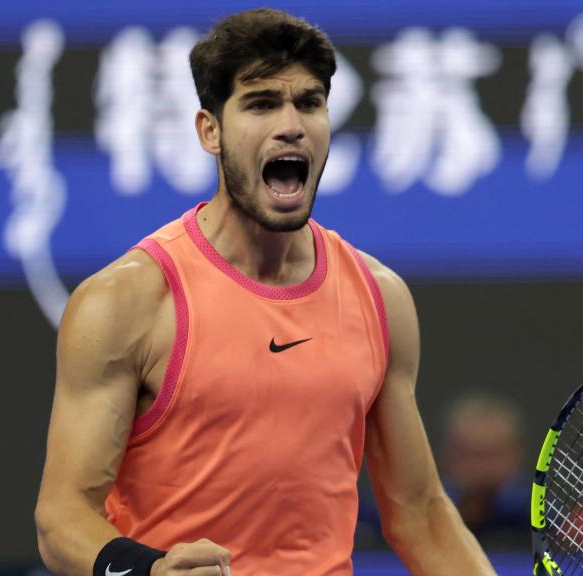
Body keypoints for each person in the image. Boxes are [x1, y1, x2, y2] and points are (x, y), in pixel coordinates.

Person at [33, 9, 496, 576]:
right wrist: (150, 571)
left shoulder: (380, 297)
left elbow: (420, 514)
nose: (291, 125)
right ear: (210, 131)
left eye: (309, 102)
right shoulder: (126, 301)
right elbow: (61, 520)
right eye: (261, 104)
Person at [440, 393, 530, 549]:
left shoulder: (545, 517)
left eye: (491, 454)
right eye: (468, 454)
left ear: (515, 454)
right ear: (449, 455)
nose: (480, 467)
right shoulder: (421, 512)